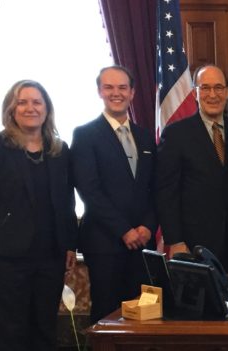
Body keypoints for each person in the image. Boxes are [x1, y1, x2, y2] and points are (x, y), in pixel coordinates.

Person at [0, 80, 77, 351]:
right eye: (22, 102)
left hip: (50, 257)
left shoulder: (59, 150)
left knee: (44, 326)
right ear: (11, 109)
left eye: (37, 102)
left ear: (47, 109)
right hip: (5, 257)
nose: (30, 108)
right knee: (12, 329)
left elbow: (67, 202)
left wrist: (70, 244)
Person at [71, 65, 156, 323]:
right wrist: (123, 230)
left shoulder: (145, 136)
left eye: (122, 87)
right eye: (109, 87)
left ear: (132, 92)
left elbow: (155, 187)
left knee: (143, 313)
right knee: (107, 314)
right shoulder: (85, 135)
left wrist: (148, 226)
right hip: (105, 242)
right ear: (100, 91)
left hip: (143, 242)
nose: (116, 93)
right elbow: (89, 189)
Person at [155, 64, 228, 270]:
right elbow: (166, 191)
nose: (212, 94)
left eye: (218, 87)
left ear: (227, 92)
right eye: (205, 88)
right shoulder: (176, 134)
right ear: (195, 93)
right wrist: (175, 240)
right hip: (193, 243)